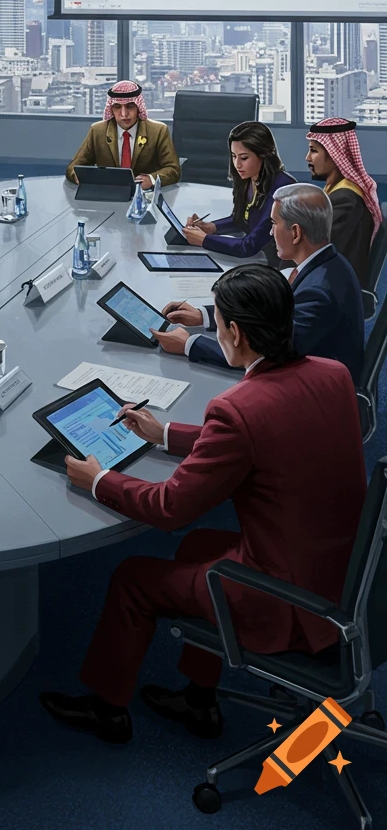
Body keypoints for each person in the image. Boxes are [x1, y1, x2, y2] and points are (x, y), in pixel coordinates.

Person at [39, 265, 366, 746]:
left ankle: (107, 710)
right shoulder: (333, 374)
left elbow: (170, 507)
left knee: (133, 578)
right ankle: (198, 700)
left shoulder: (239, 407)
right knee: (199, 545)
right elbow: (264, 437)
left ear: (233, 331)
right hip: (344, 570)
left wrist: (100, 480)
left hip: (290, 600)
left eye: (219, 324)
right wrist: (165, 433)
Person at [158, 183, 365, 384]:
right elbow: (271, 316)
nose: (270, 232)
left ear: (295, 233)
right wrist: (206, 315)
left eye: (274, 224)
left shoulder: (319, 291)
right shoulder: (326, 263)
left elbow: (267, 354)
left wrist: (189, 344)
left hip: (319, 394)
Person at [180, 120, 294, 258]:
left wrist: (205, 240)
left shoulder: (281, 189)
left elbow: (248, 246)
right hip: (259, 258)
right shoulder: (247, 178)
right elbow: (240, 219)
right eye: (234, 156)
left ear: (264, 155)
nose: (237, 164)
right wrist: (211, 227)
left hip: (277, 263)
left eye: (244, 158)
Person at [306, 116, 382, 288]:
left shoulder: (346, 200)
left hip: (332, 289)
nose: (307, 158)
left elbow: (317, 252)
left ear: (335, 155)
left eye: (313, 151)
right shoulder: (337, 191)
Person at [65, 80, 180, 189]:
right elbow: (73, 167)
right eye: (117, 107)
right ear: (111, 109)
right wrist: (80, 177)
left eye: (130, 107)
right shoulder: (97, 131)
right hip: (109, 195)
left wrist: (152, 179)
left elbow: (173, 169)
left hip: (144, 197)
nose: (124, 114)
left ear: (138, 108)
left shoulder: (158, 131)